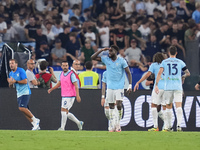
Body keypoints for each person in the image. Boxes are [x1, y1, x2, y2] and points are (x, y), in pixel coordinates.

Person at [91, 45, 132, 132]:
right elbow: (93, 57)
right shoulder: (106, 59)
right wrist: (102, 50)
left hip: (119, 87)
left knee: (119, 105)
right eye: (109, 51)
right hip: (110, 87)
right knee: (111, 106)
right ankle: (113, 125)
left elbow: (128, 72)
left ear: (116, 52)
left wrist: (130, 85)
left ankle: (118, 123)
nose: (109, 53)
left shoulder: (121, 61)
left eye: (111, 51)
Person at [155, 46, 190, 132]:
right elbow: (188, 73)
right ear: (176, 53)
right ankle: (178, 126)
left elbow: (159, 73)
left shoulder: (164, 62)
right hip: (178, 87)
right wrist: (183, 76)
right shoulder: (180, 62)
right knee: (179, 106)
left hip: (168, 87)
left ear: (169, 52)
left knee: (168, 106)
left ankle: (169, 126)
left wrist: (156, 84)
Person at [134, 52, 166, 131]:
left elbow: (147, 75)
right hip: (166, 88)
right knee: (165, 107)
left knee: (153, 106)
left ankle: (156, 126)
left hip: (157, 87)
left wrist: (138, 82)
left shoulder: (154, 65)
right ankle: (167, 126)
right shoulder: (166, 65)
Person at [48, 61, 84, 131]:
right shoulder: (61, 74)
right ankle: (79, 123)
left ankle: (62, 128)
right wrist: (52, 89)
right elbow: (59, 83)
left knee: (63, 111)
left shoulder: (71, 74)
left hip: (70, 96)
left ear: (68, 66)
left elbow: (76, 86)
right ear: (61, 66)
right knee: (66, 112)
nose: (65, 67)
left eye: (66, 66)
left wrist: (78, 95)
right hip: (64, 95)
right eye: (63, 66)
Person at [7, 59, 40, 130]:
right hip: (18, 93)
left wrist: (15, 81)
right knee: (24, 110)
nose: (11, 65)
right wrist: (10, 83)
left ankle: (35, 120)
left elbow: (25, 81)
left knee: (22, 108)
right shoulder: (11, 74)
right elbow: (11, 85)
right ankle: (35, 125)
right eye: (10, 64)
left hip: (25, 92)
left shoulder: (21, 70)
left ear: (16, 64)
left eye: (12, 63)